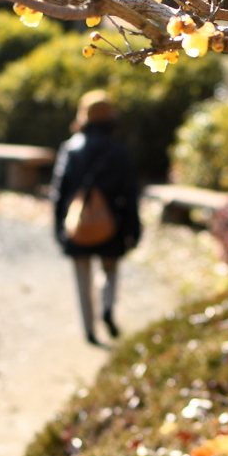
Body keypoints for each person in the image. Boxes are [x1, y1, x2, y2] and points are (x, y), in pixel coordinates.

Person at [50, 90, 141, 345]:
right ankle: (107, 306)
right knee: (109, 270)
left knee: (82, 276)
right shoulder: (117, 150)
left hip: (77, 224)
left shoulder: (70, 148)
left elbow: (59, 193)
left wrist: (59, 227)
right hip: (112, 223)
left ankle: (88, 329)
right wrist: (133, 227)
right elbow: (129, 193)